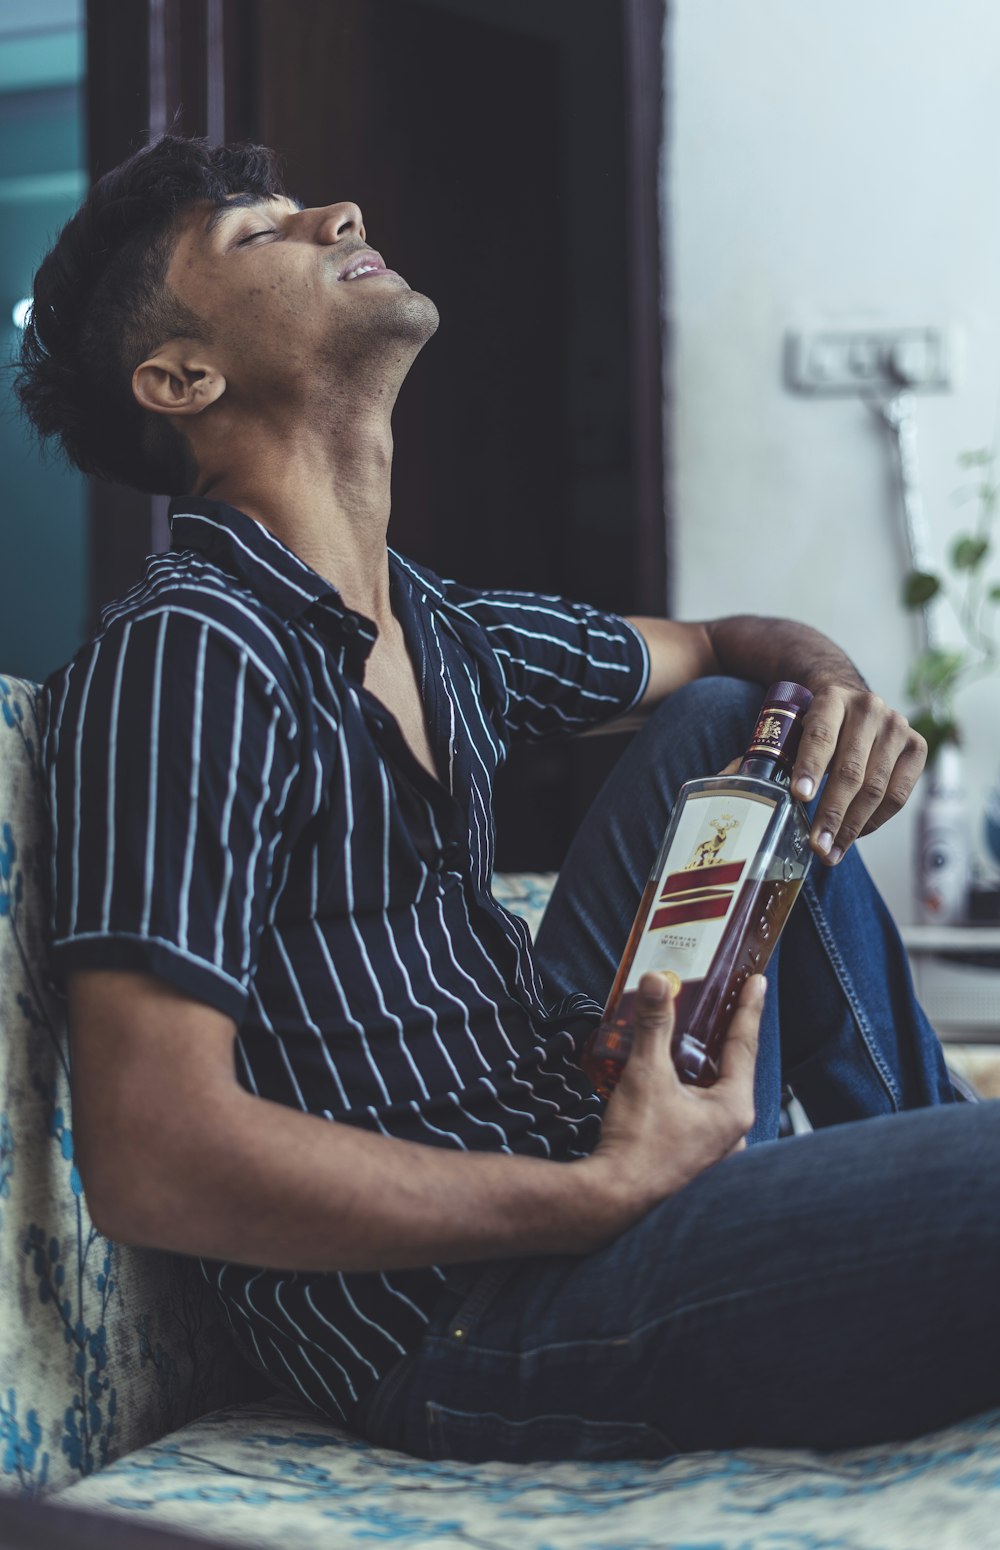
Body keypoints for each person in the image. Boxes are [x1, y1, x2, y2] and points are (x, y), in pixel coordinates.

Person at [16, 135, 999, 1465]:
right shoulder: (190, 651)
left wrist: (837, 687)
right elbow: (153, 1149)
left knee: (736, 729)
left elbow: (724, 645)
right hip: (485, 1319)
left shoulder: (437, 627)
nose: (336, 210)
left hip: (611, 1149)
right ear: (182, 376)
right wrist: (589, 1196)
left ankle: (906, 1174)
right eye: (261, 236)